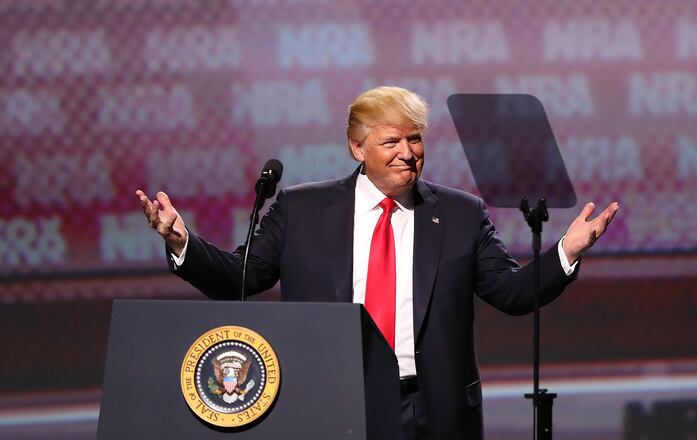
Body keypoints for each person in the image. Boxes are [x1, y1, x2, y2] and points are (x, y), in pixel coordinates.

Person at [136, 86, 618, 440]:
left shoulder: (458, 213)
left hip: (433, 410)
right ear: (357, 148)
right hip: (332, 401)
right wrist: (183, 242)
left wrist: (566, 251)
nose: (408, 154)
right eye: (391, 142)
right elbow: (240, 279)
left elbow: (510, 293)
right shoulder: (300, 210)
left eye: (415, 140)